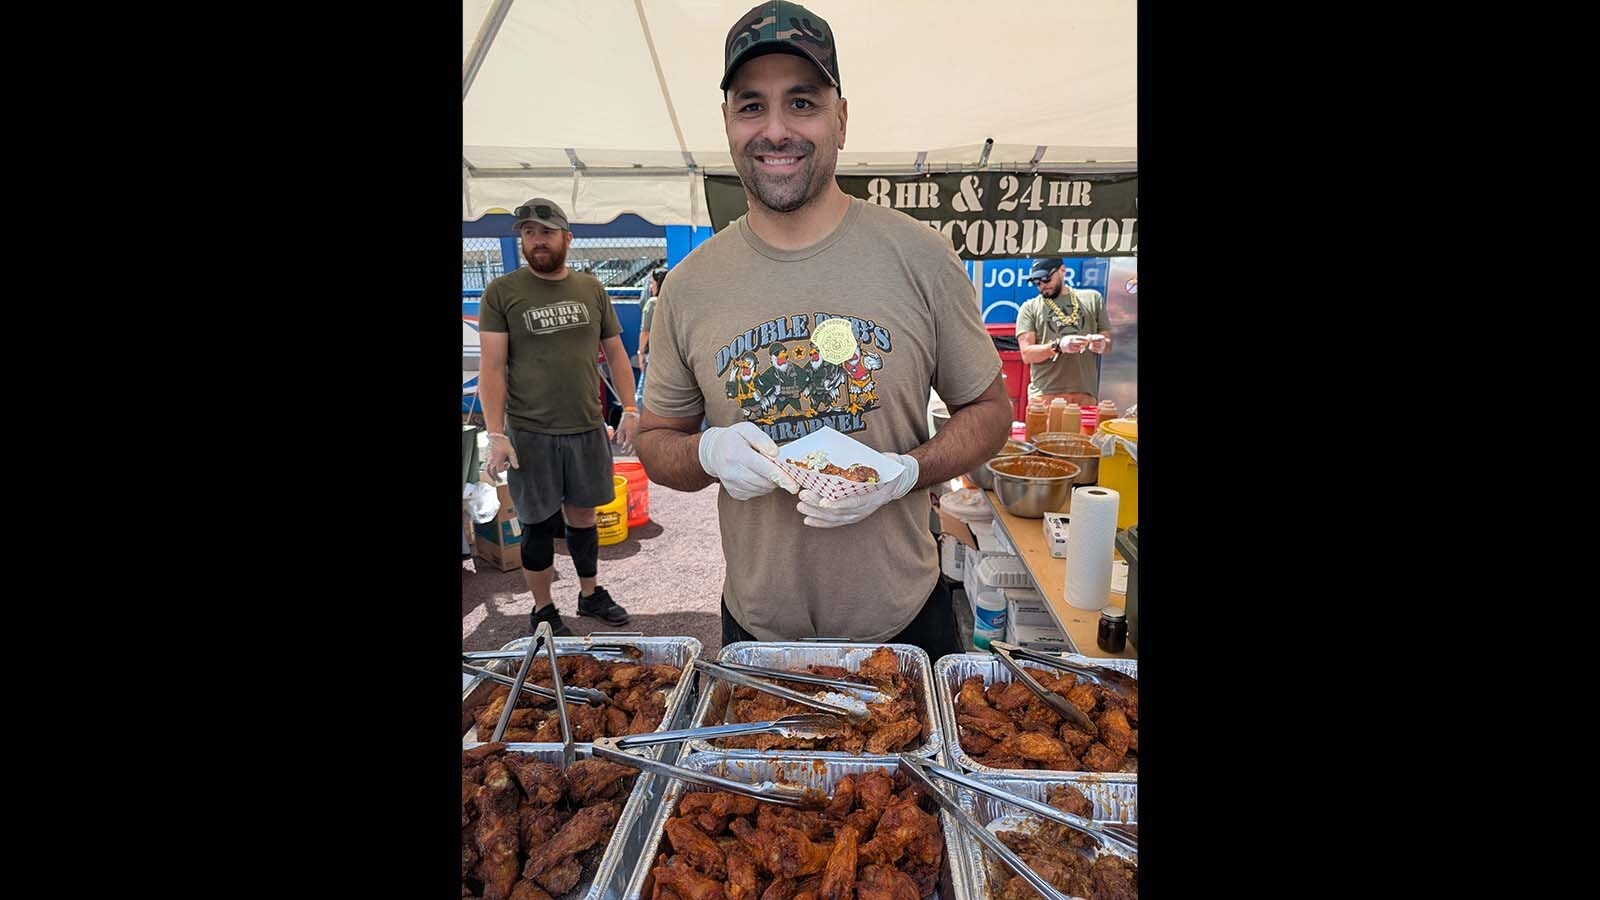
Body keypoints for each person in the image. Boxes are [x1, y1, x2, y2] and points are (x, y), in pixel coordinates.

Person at [633, 2, 1012, 659]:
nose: (776, 130)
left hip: (903, 624)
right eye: (752, 106)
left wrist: (907, 471)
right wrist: (706, 454)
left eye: (802, 102)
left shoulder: (920, 257)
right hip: (757, 630)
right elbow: (655, 440)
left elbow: (989, 410)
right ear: (728, 122)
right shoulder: (690, 286)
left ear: (841, 117)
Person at [478, 198, 637, 636]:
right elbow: (492, 367)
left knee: (583, 518)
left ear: (567, 237)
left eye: (546, 232)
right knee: (535, 524)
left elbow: (616, 353)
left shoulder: (591, 289)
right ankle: (543, 608)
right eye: (528, 233)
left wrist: (631, 408)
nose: (537, 241)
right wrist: (496, 434)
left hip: (586, 427)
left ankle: (589, 594)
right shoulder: (502, 293)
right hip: (530, 433)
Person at [1014, 257, 1112, 407]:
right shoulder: (1029, 308)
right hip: (1045, 395)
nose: (1042, 285)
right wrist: (1057, 346)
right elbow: (1027, 354)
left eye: (1046, 279)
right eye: (1036, 282)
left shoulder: (1092, 299)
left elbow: (1108, 344)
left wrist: (1101, 344)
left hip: (1084, 395)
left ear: (1062, 270)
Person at [634, 266, 668, 407]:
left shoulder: (652, 303)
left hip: (653, 357)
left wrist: (641, 353)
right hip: (672, 358)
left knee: (642, 396)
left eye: (652, 283)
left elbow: (645, 332)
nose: (650, 287)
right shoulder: (675, 303)